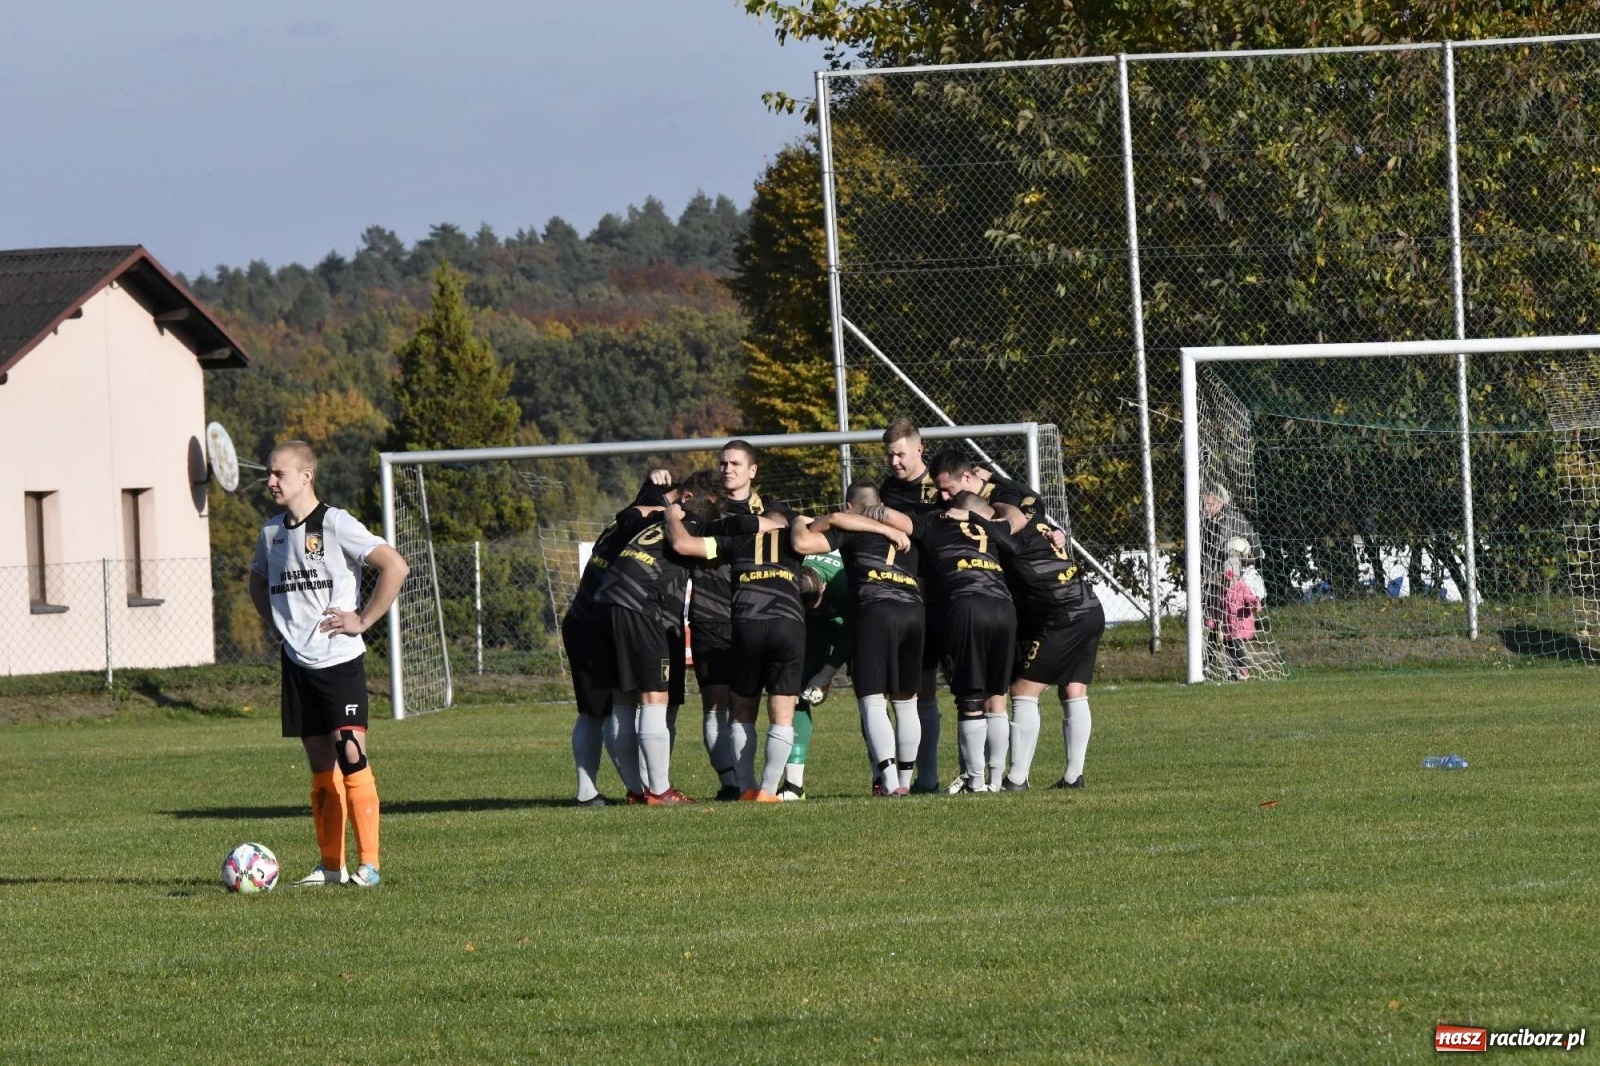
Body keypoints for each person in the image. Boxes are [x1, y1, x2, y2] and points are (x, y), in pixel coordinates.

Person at [249, 440, 409, 888]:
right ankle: (330, 867)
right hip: (297, 663)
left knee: (351, 753)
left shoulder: (336, 523)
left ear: (306, 476)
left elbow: (395, 566)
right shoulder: (270, 534)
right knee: (321, 764)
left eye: (279, 473)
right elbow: (257, 584)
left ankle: (370, 865)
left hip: (339, 661)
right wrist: (277, 625)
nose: (271, 481)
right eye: (269, 473)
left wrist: (363, 620)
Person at [591, 470, 724, 805]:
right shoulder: (690, 526)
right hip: (641, 607)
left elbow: (627, 515)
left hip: (606, 603)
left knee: (622, 700)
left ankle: (637, 791)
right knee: (654, 700)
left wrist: (663, 500)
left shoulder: (649, 519)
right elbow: (689, 546)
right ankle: (660, 792)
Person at [879, 488, 1018, 795]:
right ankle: (996, 781)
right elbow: (1016, 515)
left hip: (968, 603)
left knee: (970, 697)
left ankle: (974, 781)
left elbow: (889, 515)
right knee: (997, 696)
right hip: (1005, 607)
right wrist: (979, 514)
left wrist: (873, 515)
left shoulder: (936, 520)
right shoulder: (990, 526)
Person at [666, 496, 802, 803]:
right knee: (782, 714)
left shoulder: (738, 542)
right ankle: (768, 790)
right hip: (787, 626)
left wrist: (672, 516)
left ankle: (744, 789)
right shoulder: (797, 541)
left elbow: (684, 545)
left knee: (742, 713)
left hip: (745, 626)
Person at [790, 480, 921, 796]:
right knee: (906, 703)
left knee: (872, 700)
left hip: (873, 610)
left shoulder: (850, 531)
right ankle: (906, 782)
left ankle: (888, 784)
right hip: (915, 611)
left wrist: (796, 520)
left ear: (850, 507)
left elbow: (803, 540)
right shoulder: (911, 527)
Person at [561, 468, 674, 807]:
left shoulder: (618, 525)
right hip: (602, 620)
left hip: (581, 618)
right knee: (616, 709)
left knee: (595, 712)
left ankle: (594, 791)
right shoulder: (640, 525)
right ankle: (639, 789)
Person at [982, 498, 1105, 790]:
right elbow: (1035, 509)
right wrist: (1056, 531)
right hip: (1089, 606)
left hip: (1065, 615)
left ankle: (1016, 779)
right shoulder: (1034, 520)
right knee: (1073, 689)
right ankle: (1074, 777)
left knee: (1023, 690)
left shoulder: (1005, 529)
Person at [876, 419, 946, 792]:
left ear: (919, 450)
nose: (895, 462)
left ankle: (970, 775)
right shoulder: (888, 488)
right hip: (906, 596)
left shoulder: (940, 485)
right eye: (889, 455)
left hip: (944, 595)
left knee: (961, 691)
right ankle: (919, 778)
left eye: (901, 454)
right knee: (913, 688)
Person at [780, 549, 855, 800]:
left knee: (869, 695)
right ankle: (793, 786)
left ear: (823, 586)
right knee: (798, 692)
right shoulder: (788, 578)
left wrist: (827, 674)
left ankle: (881, 779)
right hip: (810, 629)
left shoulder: (843, 582)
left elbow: (853, 632)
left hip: (848, 622)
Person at [1211, 553, 1260, 681]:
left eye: (1231, 579)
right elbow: (1217, 608)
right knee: (1229, 650)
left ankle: (1243, 670)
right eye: (1226, 580)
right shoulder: (1222, 591)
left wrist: (1254, 605)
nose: (1229, 582)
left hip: (1241, 623)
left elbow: (1251, 599)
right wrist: (1212, 621)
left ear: (1237, 577)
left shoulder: (1242, 587)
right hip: (1228, 627)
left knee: (1237, 646)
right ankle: (1232, 673)